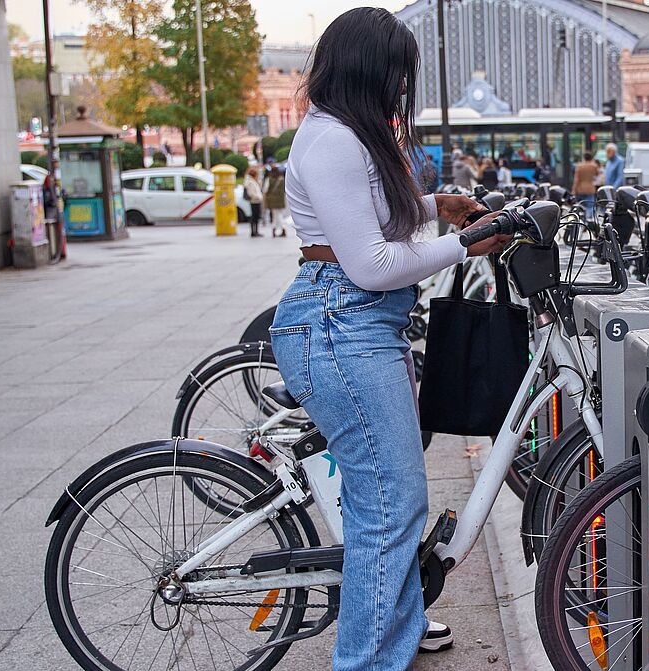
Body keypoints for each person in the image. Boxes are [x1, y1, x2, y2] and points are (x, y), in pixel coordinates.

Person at [272, 9, 510, 670]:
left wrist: (440, 205)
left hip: (354, 323)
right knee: (393, 506)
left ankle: (395, 626)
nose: (401, 89)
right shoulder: (335, 141)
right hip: (340, 323)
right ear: (370, 71)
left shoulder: (345, 134)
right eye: (395, 74)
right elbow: (372, 264)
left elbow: (373, 215)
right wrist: (463, 243)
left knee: (385, 501)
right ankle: (369, 659)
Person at [264, 165, 289, 237]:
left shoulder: (269, 179)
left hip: (272, 201)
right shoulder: (282, 179)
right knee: (279, 215)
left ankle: (276, 229)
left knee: (276, 215)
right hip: (280, 200)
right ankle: (279, 229)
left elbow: (265, 189)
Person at [244, 165, 264, 237]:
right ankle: (254, 232)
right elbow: (251, 193)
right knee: (255, 217)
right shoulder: (250, 182)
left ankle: (255, 231)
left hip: (256, 201)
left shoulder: (253, 181)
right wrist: (258, 197)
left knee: (256, 216)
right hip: (255, 201)